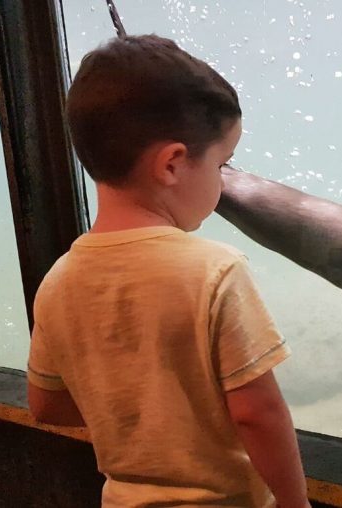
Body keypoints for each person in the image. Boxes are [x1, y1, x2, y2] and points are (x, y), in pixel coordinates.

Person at [25, 34, 309, 508]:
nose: (223, 181)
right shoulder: (214, 272)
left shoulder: (59, 280)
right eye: (223, 164)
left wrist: (131, 409)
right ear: (173, 164)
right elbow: (258, 414)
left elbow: (46, 404)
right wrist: (296, 503)